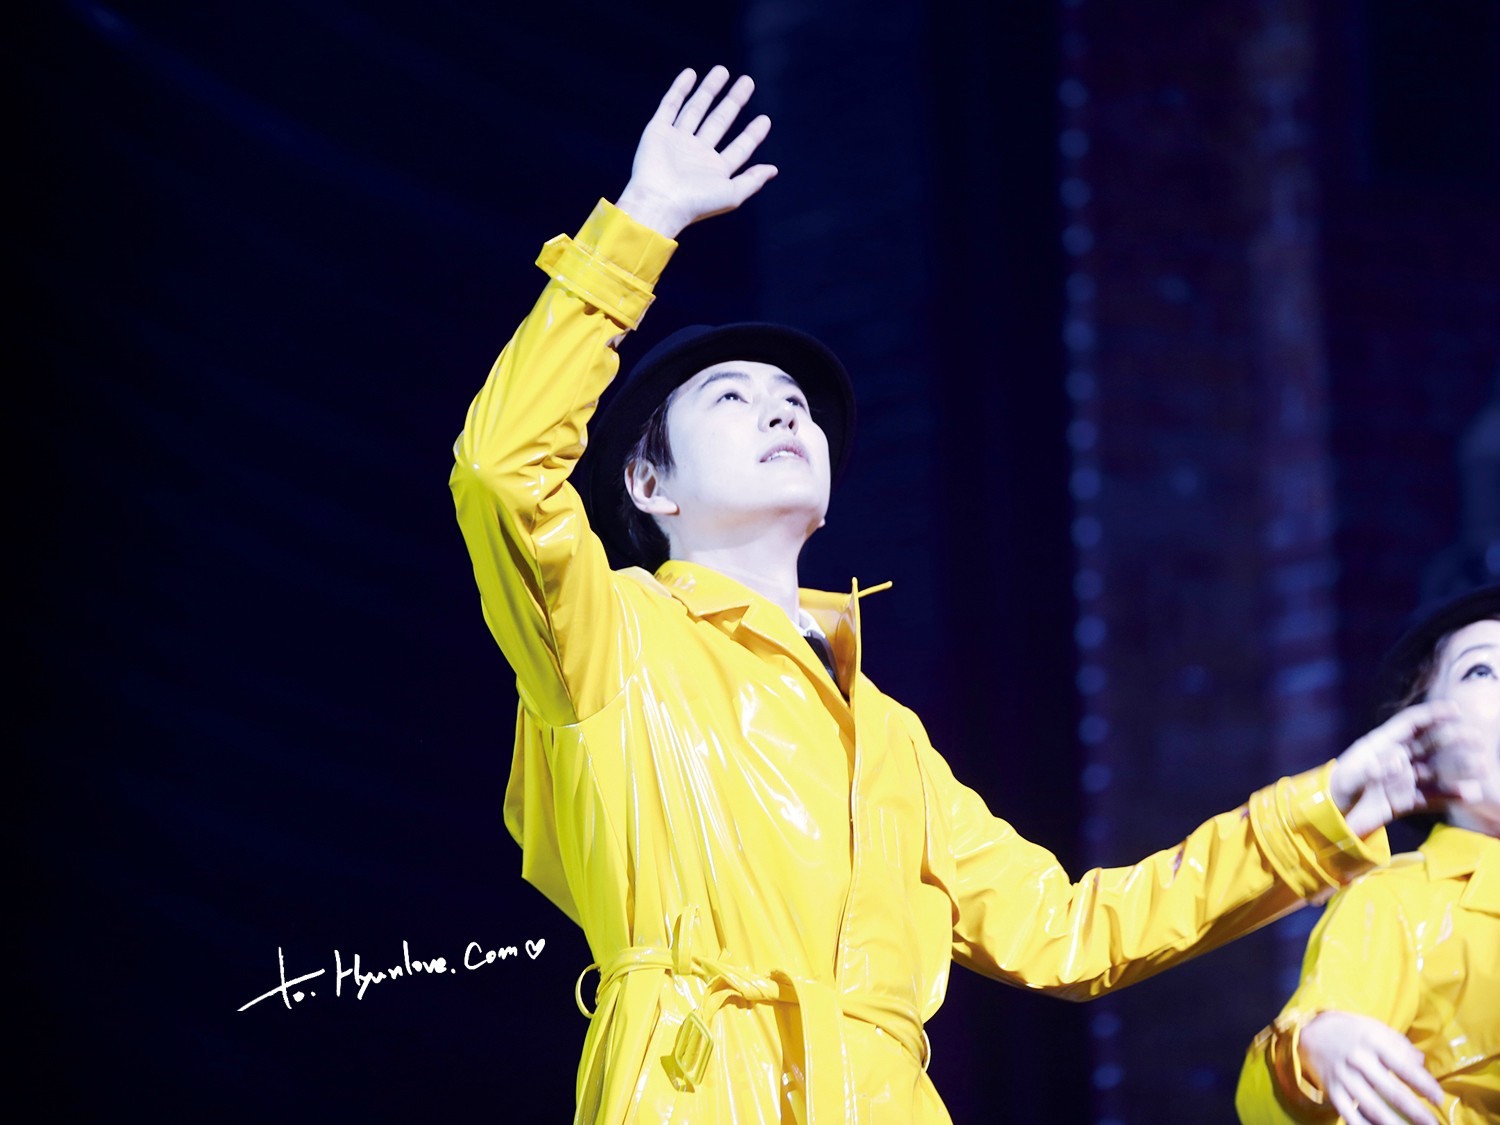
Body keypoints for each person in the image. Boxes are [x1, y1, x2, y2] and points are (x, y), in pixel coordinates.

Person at [449, 66, 1479, 1123]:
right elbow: (502, 470)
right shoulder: (611, 635)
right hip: (697, 1091)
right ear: (646, 483)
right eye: (731, 397)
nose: (782, 414)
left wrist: (1323, 810)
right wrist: (644, 220)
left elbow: (1074, 934)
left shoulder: (888, 739)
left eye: (796, 401)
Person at [1236, 585, 1499, 1125]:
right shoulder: (1399, 900)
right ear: (1418, 732)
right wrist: (1315, 1049)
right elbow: (1265, 1108)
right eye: (1481, 670)